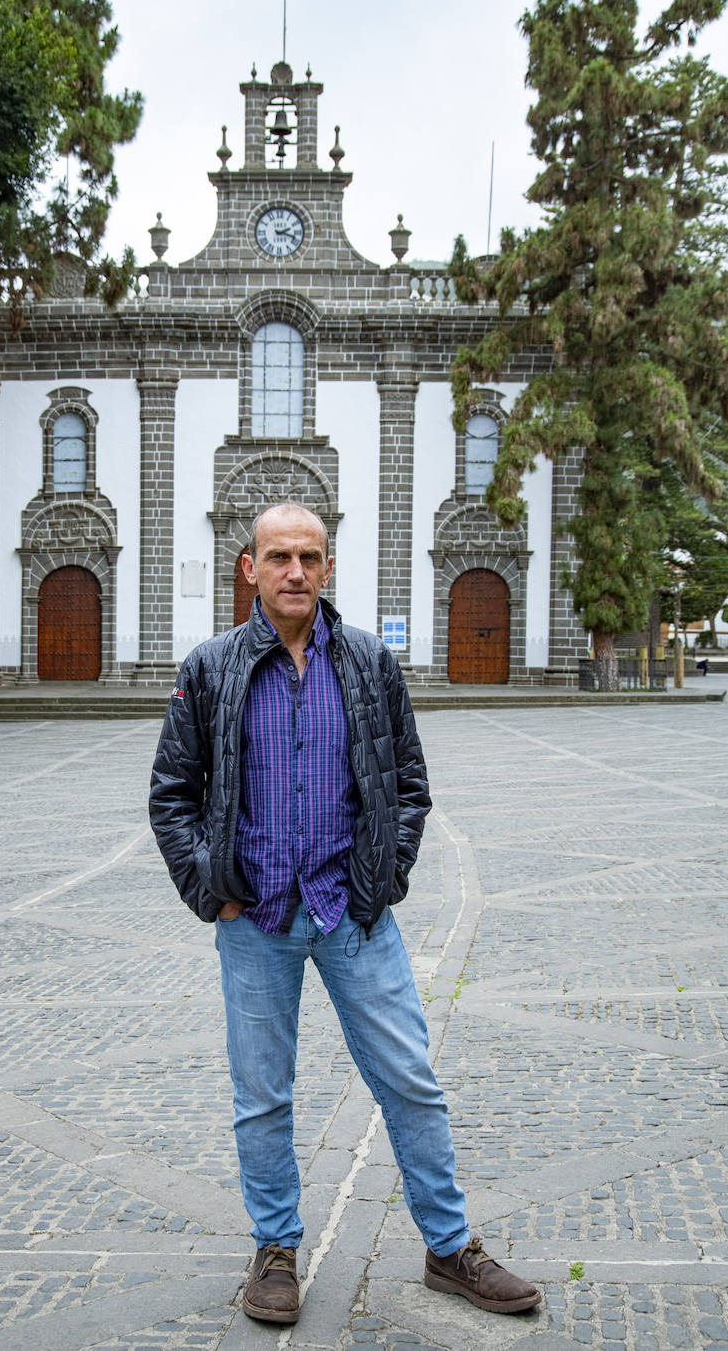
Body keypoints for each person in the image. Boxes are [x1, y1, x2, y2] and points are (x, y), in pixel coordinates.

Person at [149, 502, 541, 1325]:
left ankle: (450, 1248)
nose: (296, 571)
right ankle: (276, 1251)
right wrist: (206, 887)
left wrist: (383, 879)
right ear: (249, 568)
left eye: (311, 557)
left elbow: (409, 786)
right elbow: (172, 794)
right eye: (280, 556)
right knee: (262, 1095)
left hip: (352, 916)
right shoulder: (212, 667)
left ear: (329, 569)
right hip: (253, 919)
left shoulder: (367, 662)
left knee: (411, 1081)